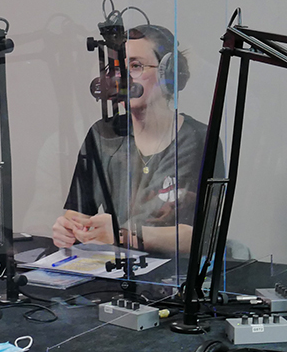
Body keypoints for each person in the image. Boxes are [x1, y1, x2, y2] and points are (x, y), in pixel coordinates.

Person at [53, 24, 208, 255]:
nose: (123, 79)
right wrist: (68, 229)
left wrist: (123, 235)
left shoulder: (196, 139)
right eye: (118, 68)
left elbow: (197, 237)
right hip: (116, 268)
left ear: (168, 74)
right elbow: (78, 214)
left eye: (136, 66)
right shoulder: (102, 134)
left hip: (176, 271)